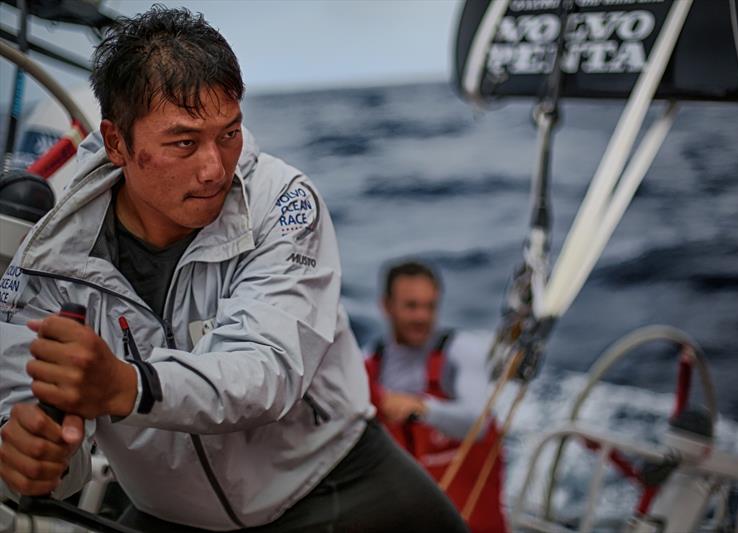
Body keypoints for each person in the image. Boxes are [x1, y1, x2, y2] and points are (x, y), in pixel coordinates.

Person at [0, 7, 469, 532]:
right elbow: (23, 412)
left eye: (228, 134)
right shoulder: (47, 261)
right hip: (173, 511)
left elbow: (265, 370)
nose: (214, 168)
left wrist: (128, 385)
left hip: (333, 475)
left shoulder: (282, 202)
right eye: (183, 142)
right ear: (116, 144)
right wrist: (31, 450)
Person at [364, 260, 508, 533]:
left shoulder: (462, 352)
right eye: (411, 306)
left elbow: (476, 424)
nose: (422, 316)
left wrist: (422, 409)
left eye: (430, 306)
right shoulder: (369, 364)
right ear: (386, 306)